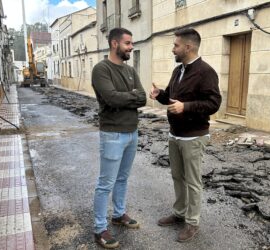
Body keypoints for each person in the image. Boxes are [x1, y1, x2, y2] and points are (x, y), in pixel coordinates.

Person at [150, 28, 221, 242]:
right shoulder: (178, 70)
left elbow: (214, 103)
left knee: (192, 181)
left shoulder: (206, 71)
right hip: (175, 135)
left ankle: (192, 222)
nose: (173, 49)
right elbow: (173, 99)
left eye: (176, 45)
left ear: (188, 47)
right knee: (177, 177)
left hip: (193, 137)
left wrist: (186, 107)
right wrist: (161, 95)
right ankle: (179, 213)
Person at [91, 27, 146, 249]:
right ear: (115, 44)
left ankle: (119, 214)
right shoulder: (101, 69)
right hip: (112, 133)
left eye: (131, 44)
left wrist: (129, 97)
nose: (131, 47)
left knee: (122, 178)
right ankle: (99, 228)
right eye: (128, 43)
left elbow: (142, 98)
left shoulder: (131, 71)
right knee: (106, 183)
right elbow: (111, 99)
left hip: (132, 132)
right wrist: (131, 97)